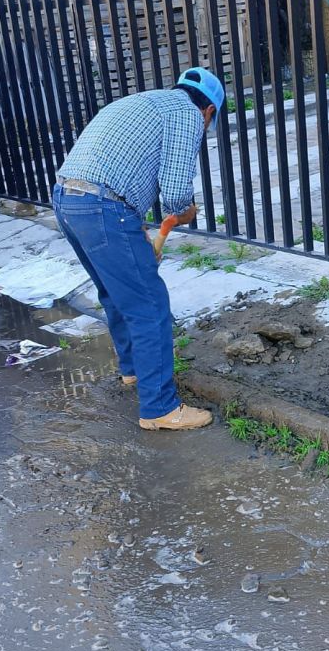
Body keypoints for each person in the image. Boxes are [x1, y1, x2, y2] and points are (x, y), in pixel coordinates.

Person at [53, 68, 224, 431]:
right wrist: (184, 212)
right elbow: (175, 190)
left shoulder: (143, 102)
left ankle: (133, 370)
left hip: (68, 199)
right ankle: (159, 408)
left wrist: (134, 230)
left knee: (115, 293)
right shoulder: (188, 114)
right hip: (103, 208)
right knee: (149, 305)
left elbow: (120, 169)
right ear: (209, 111)